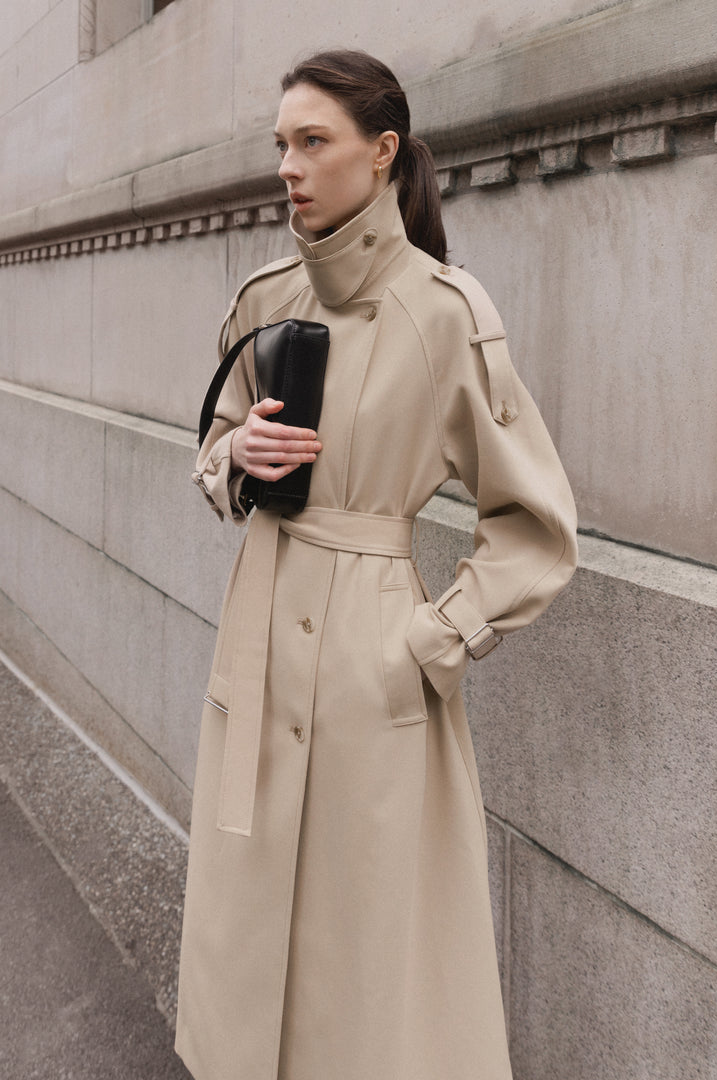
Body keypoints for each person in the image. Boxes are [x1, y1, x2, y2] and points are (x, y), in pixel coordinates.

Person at [175, 49, 577, 1080]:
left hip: (376, 663)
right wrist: (238, 459)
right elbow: (214, 457)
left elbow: (534, 524)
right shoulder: (266, 298)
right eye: (282, 145)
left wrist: (427, 646)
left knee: (367, 956)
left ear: (381, 151)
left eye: (314, 141)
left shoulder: (445, 313)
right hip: (260, 646)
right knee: (251, 918)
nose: (290, 168)